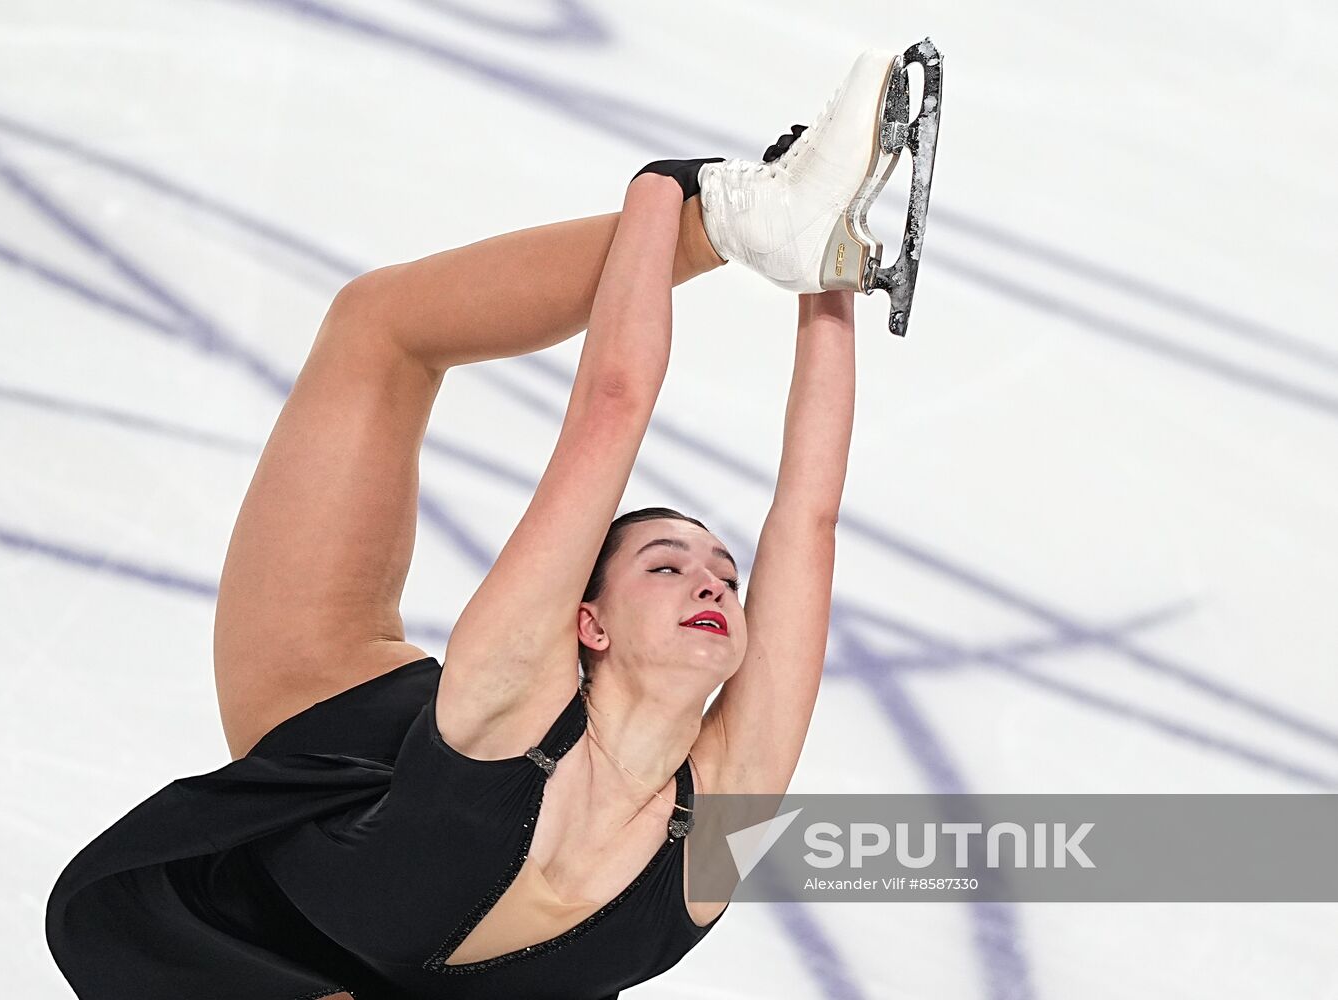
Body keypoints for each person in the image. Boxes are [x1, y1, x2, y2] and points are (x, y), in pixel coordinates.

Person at [46, 47, 920, 1000]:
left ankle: (746, 225)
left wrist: (820, 273)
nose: (716, 582)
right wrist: (675, 206)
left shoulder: (682, 807)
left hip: (300, 930)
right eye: (669, 567)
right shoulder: (529, 716)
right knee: (378, 329)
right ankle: (737, 224)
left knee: (378, 328)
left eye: (714, 571)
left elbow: (807, 518)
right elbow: (614, 405)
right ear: (584, 626)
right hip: (329, 763)